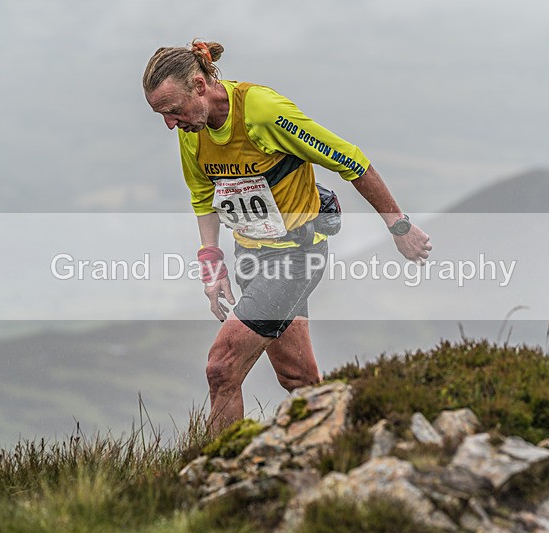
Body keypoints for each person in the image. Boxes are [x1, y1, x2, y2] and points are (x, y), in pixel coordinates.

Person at [143, 39, 432, 433]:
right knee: (298, 379)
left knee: (221, 367)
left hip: (296, 257)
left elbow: (351, 160)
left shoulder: (262, 111)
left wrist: (399, 226)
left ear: (198, 85)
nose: (170, 124)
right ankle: (351, 439)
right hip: (251, 257)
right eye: (162, 115)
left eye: (173, 111)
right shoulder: (192, 128)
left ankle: (219, 474)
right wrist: (211, 262)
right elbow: (202, 196)